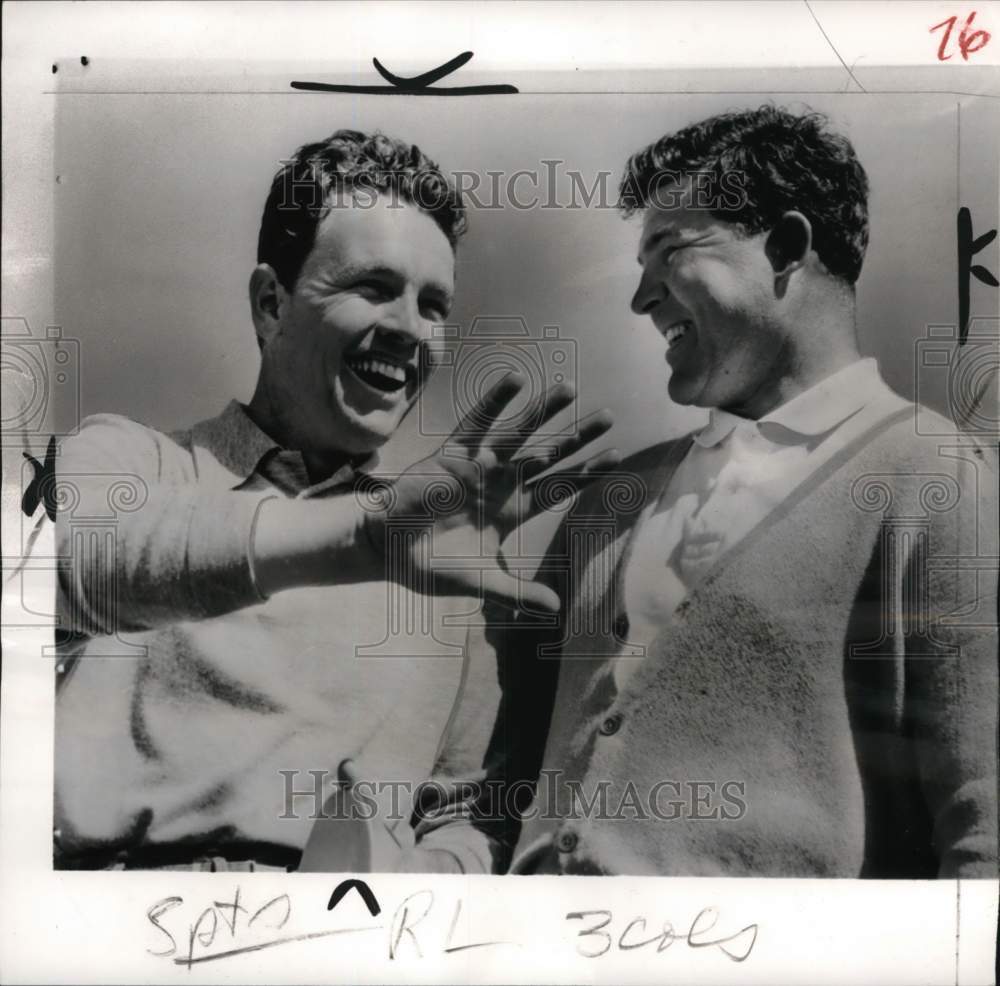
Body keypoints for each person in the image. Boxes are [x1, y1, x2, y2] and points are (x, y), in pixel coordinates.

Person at [405, 106, 999, 878]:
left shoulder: (933, 475)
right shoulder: (610, 500)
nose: (640, 297)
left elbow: (982, 828)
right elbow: (487, 804)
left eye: (670, 249)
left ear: (785, 248)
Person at [51, 129, 617, 871]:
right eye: (373, 288)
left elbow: (474, 818)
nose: (410, 329)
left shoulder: (453, 558)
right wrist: (360, 537)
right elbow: (66, 567)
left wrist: (399, 888)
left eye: (433, 305)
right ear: (271, 304)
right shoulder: (132, 461)